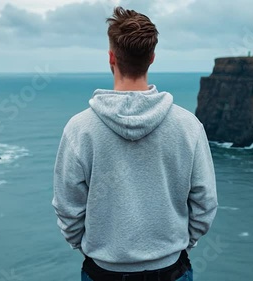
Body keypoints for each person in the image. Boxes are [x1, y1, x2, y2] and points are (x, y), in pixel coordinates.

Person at [52, 6, 218, 281]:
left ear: (111, 58)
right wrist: (178, 245)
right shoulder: (188, 126)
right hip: (171, 271)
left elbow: (67, 206)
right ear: (152, 58)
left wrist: (89, 248)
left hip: (102, 272)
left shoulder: (79, 129)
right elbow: (205, 202)